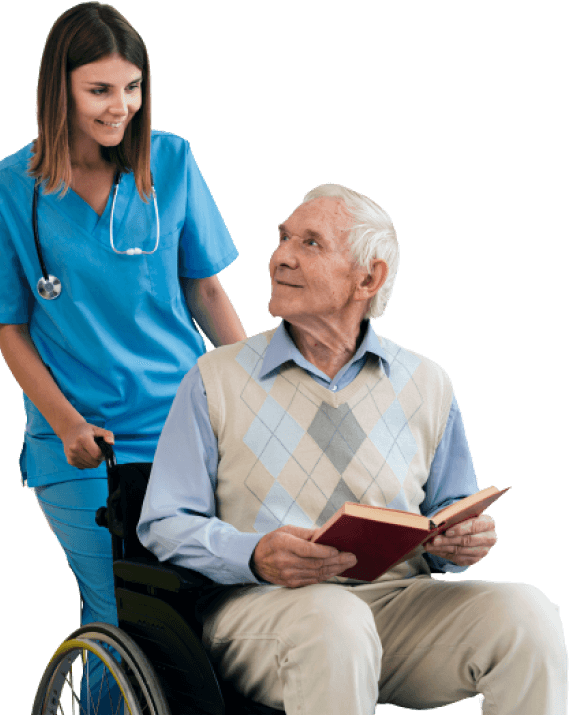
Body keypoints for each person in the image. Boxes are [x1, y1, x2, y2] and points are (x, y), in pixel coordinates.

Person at [137, 184, 567, 714]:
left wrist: (461, 541)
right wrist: (254, 554)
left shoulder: (426, 381)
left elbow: (449, 511)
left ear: (369, 278)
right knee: (335, 622)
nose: (280, 257)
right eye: (283, 238)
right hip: (261, 611)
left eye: (310, 243)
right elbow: (165, 523)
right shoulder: (213, 378)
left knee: (528, 614)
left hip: (396, 605)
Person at [0, 3, 246, 704]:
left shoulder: (170, 162)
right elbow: (9, 330)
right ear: (59, 90)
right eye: (100, 90)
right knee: (124, 615)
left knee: (204, 613)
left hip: (187, 430)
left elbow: (206, 290)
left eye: (132, 87)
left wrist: (262, 393)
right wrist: (67, 424)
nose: (121, 107)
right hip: (85, 447)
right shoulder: (3, 194)